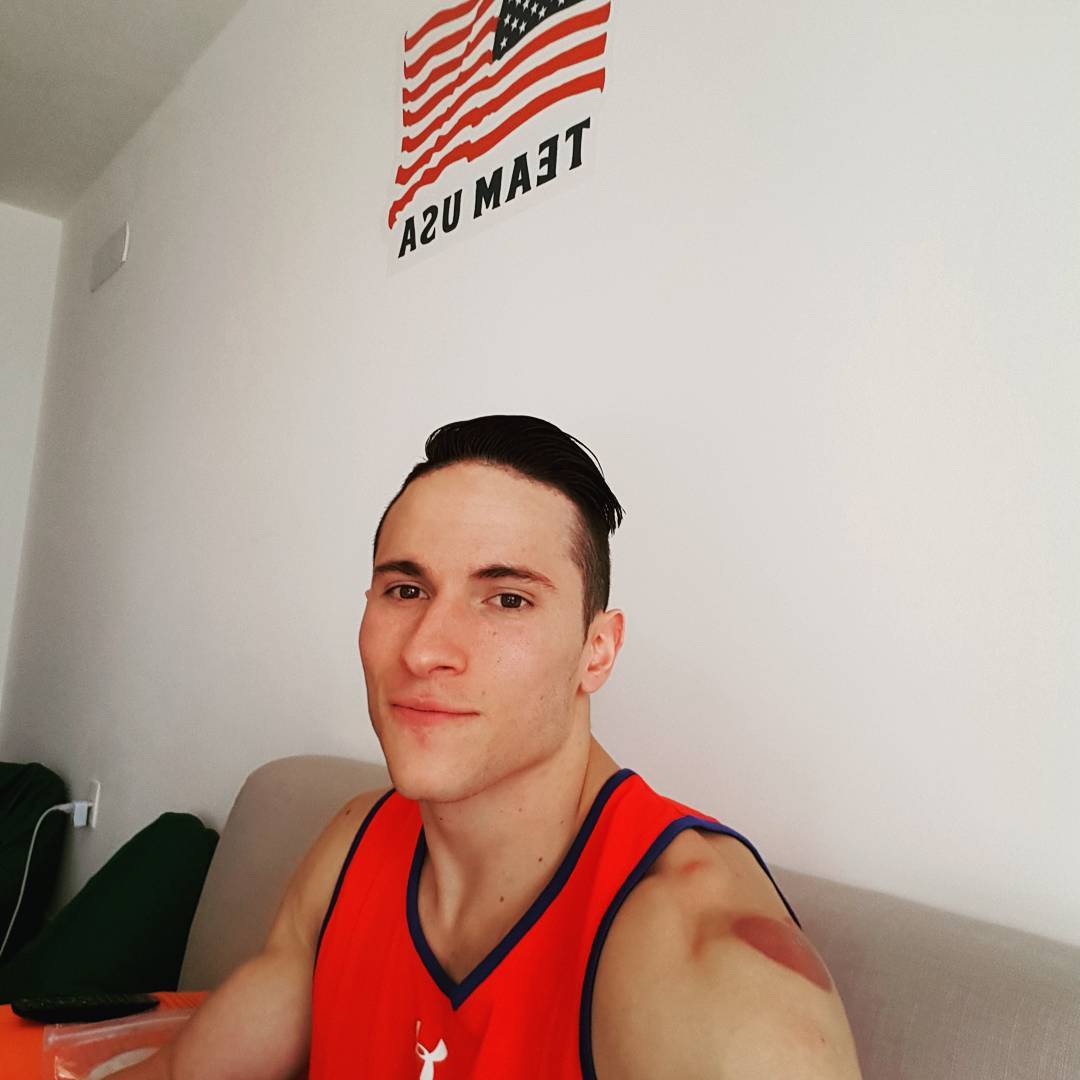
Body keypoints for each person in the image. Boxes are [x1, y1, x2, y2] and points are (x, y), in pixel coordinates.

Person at [117, 414, 863, 1078]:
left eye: (507, 599)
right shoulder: (352, 847)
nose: (424, 651)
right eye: (406, 590)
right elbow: (184, 1070)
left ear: (597, 652)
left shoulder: (707, 967)